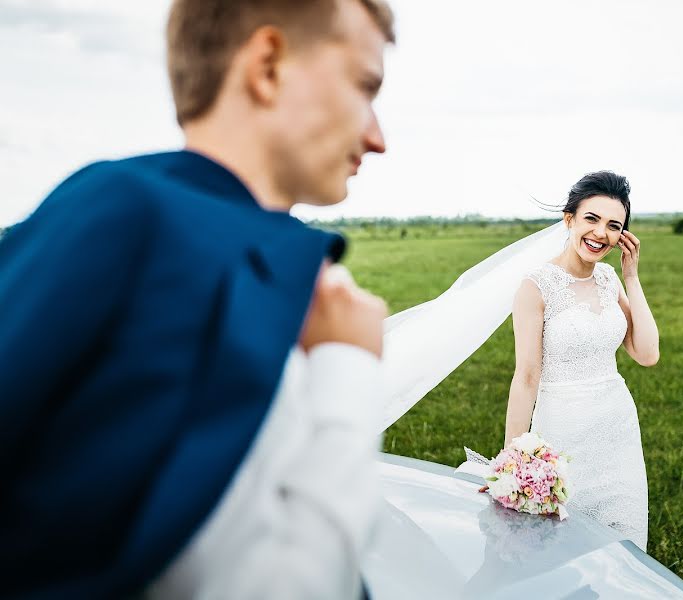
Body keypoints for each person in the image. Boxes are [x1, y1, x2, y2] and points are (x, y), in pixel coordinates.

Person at [0, 0, 395, 597]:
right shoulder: (143, 226)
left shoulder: (123, 209)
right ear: (267, 65)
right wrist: (349, 366)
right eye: (365, 86)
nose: (377, 137)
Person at [504, 171, 660, 551]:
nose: (601, 233)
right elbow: (525, 377)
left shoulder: (609, 280)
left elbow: (647, 353)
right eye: (592, 218)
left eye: (614, 225)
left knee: (624, 547)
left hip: (617, 433)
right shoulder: (536, 287)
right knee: (559, 551)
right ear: (569, 218)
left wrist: (632, 277)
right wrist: (514, 459)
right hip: (563, 434)